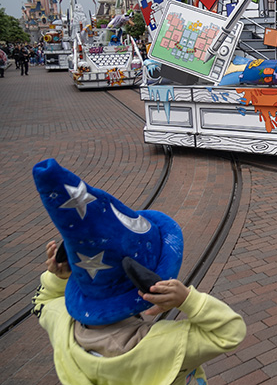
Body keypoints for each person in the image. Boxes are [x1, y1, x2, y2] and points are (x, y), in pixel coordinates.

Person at [31, 158, 246, 385]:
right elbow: (230, 332)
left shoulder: (61, 325)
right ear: (144, 283)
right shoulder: (164, 344)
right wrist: (188, 300)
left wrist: (58, 278)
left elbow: (42, 301)